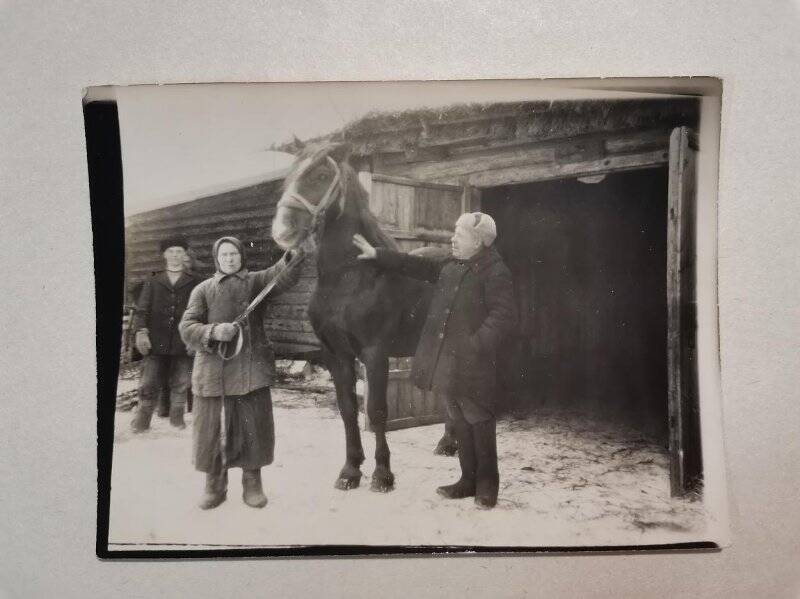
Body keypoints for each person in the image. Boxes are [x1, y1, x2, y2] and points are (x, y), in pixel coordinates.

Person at [352, 213, 517, 509]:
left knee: (479, 418)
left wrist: (476, 344)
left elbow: (503, 316)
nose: (452, 239)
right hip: (450, 360)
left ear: (478, 242)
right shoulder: (450, 265)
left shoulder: (496, 272)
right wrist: (376, 253)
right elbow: (413, 264)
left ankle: (487, 486)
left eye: (459, 235)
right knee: (458, 417)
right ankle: (467, 480)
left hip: (476, 361)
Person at [179, 237, 300, 510]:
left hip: (251, 373)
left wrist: (293, 253)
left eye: (234, 253)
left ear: (241, 256)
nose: (230, 259)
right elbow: (187, 327)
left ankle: (252, 483)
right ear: (216, 259)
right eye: (224, 255)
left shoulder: (256, 282)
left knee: (252, 428)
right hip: (212, 373)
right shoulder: (203, 289)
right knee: (212, 430)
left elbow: (281, 275)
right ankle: (215, 486)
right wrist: (213, 331)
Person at [131, 237, 201, 432]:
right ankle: (142, 420)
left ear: (185, 254)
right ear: (164, 254)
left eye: (179, 251)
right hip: (156, 340)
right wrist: (141, 332)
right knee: (149, 381)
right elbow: (142, 309)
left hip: (182, 340)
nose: (175, 255)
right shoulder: (153, 279)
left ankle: (177, 419)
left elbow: (200, 311)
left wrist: (194, 337)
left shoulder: (195, 281)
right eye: (171, 251)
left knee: (180, 381)